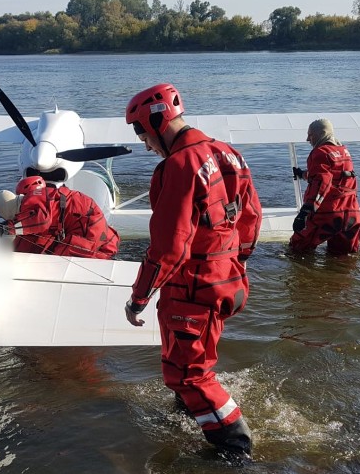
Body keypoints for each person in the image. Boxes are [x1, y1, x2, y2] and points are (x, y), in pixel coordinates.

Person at [122, 83, 261, 458]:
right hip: (228, 281)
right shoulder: (229, 153)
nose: (147, 146)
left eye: (144, 136)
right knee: (195, 362)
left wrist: (138, 298)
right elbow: (252, 218)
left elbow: (169, 247)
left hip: (193, 288)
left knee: (186, 374)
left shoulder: (178, 166)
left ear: (155, 124)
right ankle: (191, 413)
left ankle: (235, 448)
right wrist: (238, 263)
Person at [0, 175, 120, 259]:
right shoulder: (37, 194)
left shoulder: (30, 201)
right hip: (91, 220)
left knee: (56, 257)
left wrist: (9, 228)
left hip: (88, 226)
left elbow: (43, 220)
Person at [290, 119, 360, 255]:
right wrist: (303, 174)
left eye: (310, 135)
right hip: (351, 213)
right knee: (343, 257)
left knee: (297, 249)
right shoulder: (344, 151)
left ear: (320, 134)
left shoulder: (319, 152)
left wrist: (306, 210)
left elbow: (322, 180)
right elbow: (332, 176)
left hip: (328, 213)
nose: (307, 139)